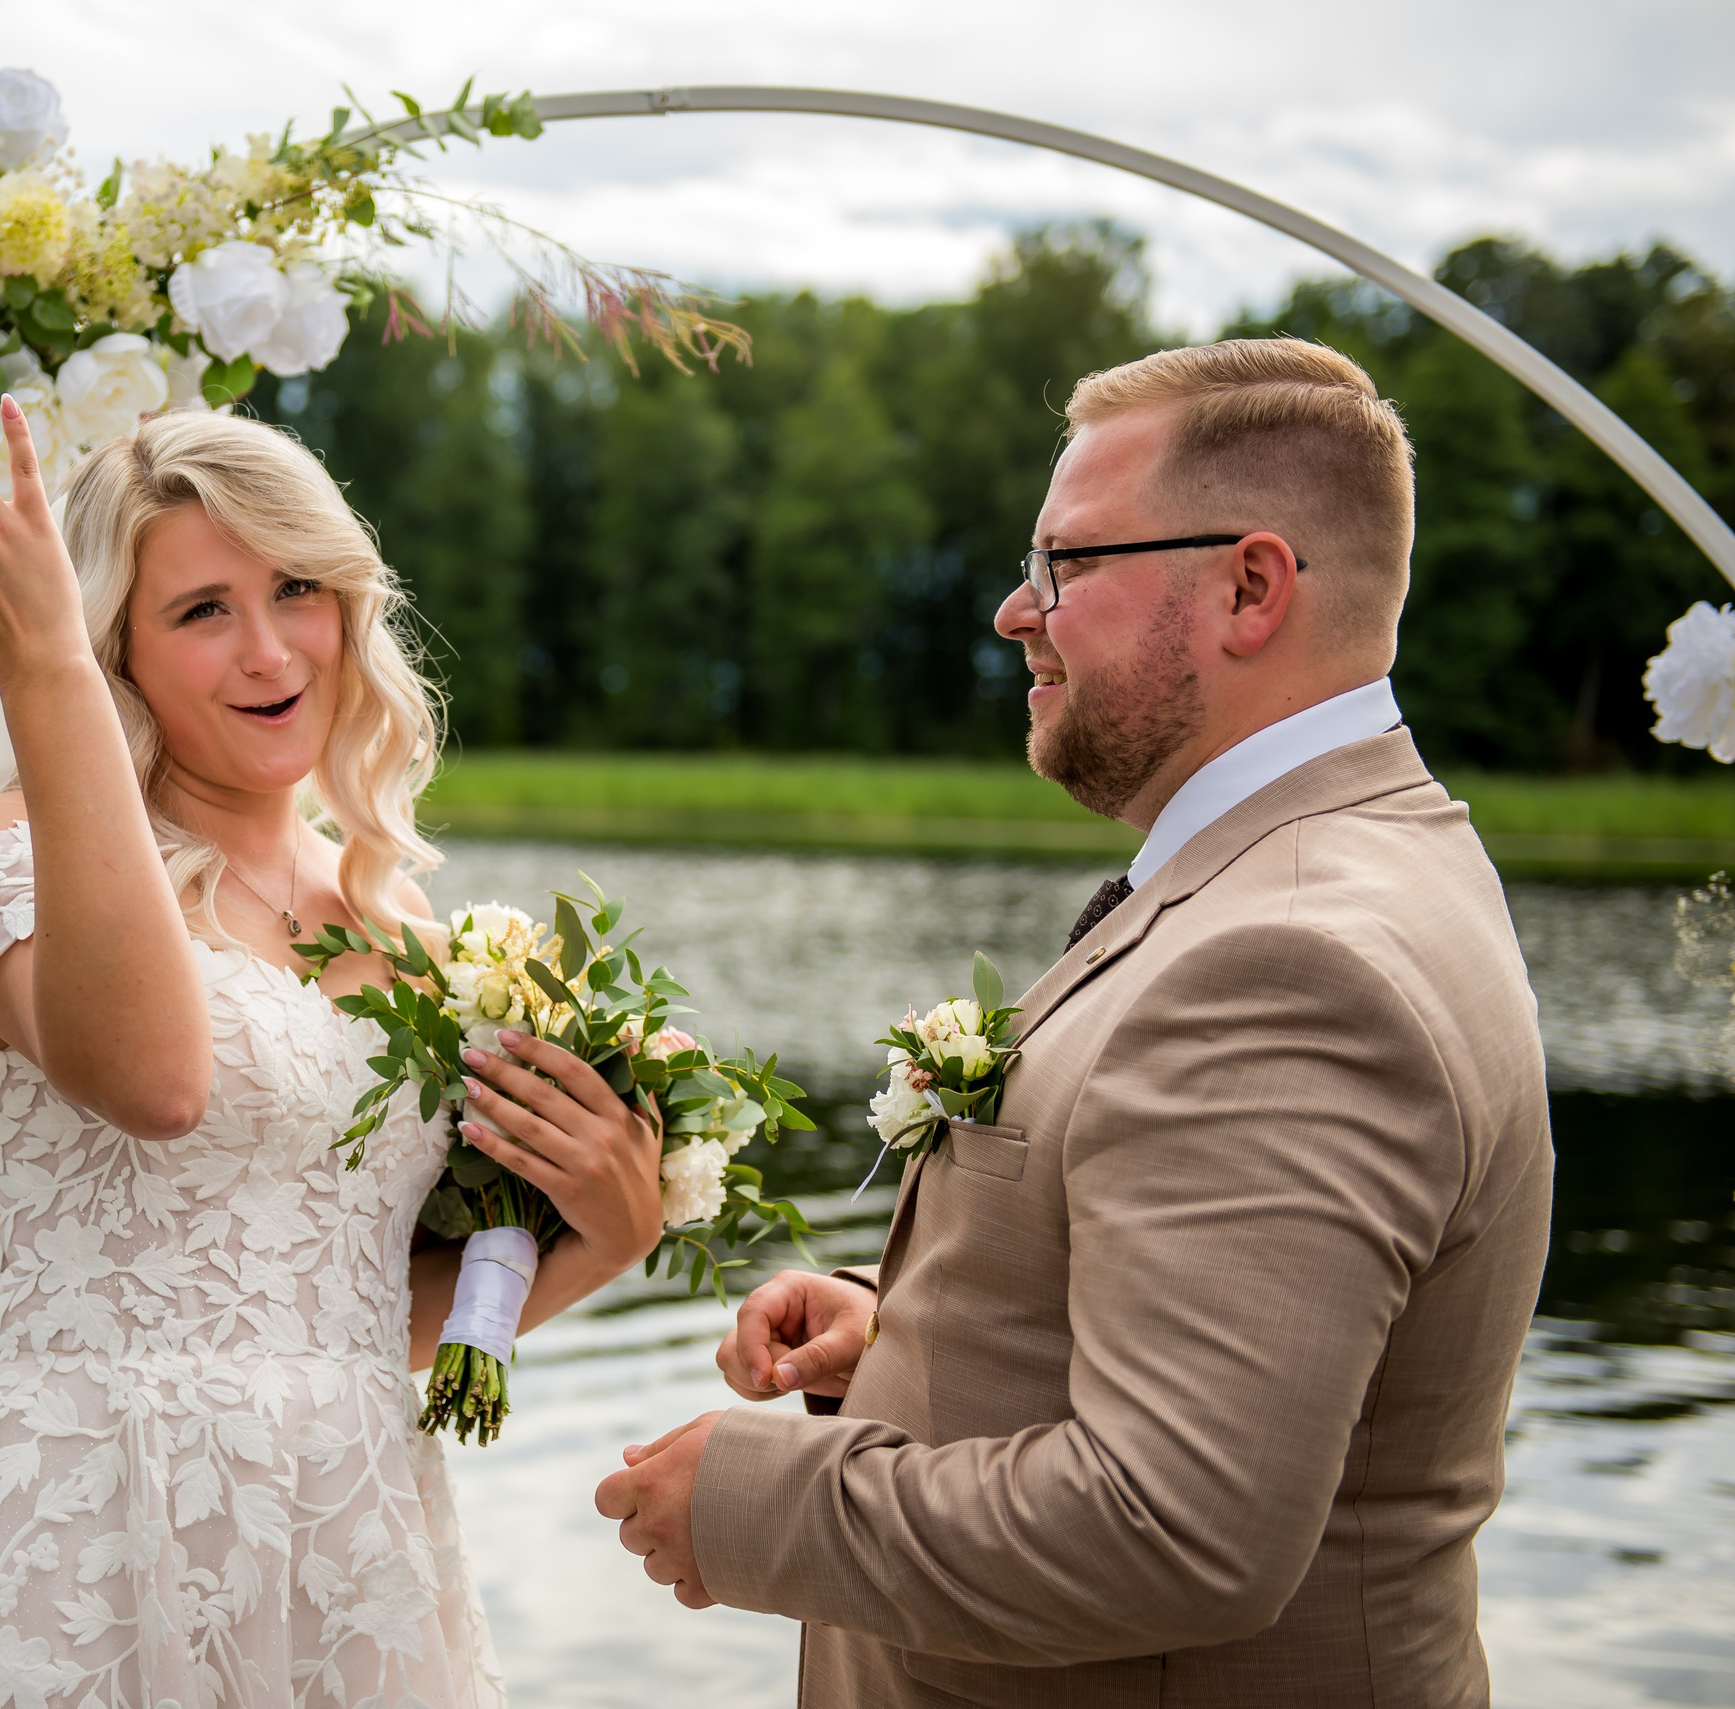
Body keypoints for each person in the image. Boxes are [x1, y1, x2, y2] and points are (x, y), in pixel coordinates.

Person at [594, 338, 1554, 1707]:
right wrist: (918, 1341)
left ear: (1249, 584)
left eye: (1067, 562)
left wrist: (758, 1501)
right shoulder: (1366, 850)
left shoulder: (1286, 963)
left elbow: (1177, 1524)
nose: (1013, 610)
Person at [0, 382, 665, 1707]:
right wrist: (37, 665)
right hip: (91, 1522)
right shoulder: (8, 860)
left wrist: (607, 1233)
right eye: (200, 610)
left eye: (298, 589)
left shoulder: (400, 924)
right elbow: (161, 1085)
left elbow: (351, 1320)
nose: (273, 652)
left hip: (349, 1538)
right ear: (115, 648)